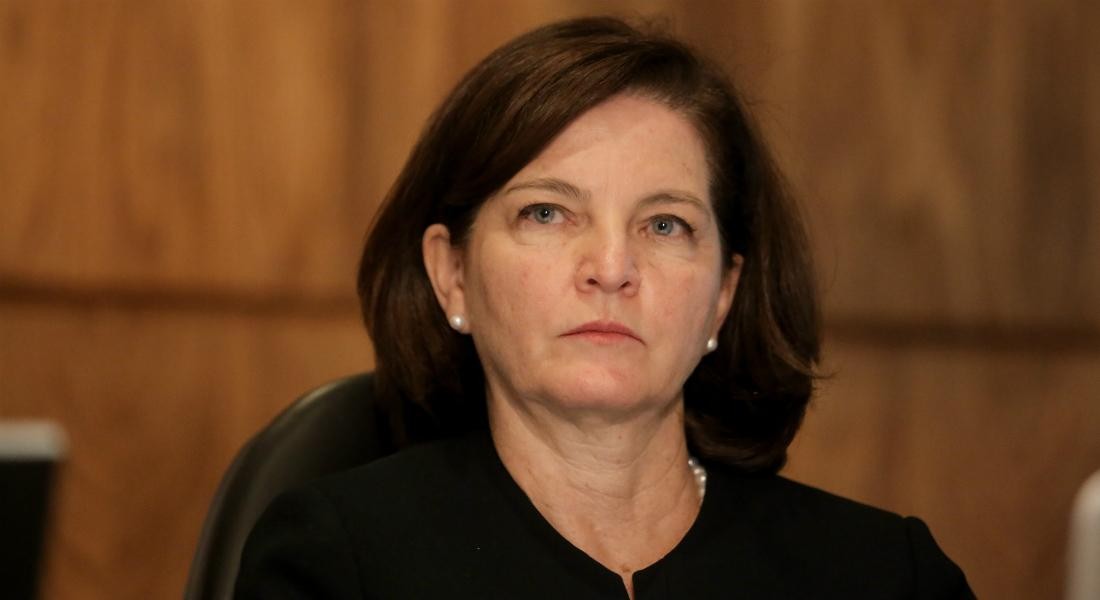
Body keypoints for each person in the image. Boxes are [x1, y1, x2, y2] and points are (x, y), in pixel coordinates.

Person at [235, 16, 973, 599]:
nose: (613, 269)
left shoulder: (888, 575)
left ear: (723, 294)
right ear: (452, 274)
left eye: (665, 225)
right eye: (547, 214)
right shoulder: (338, 564)